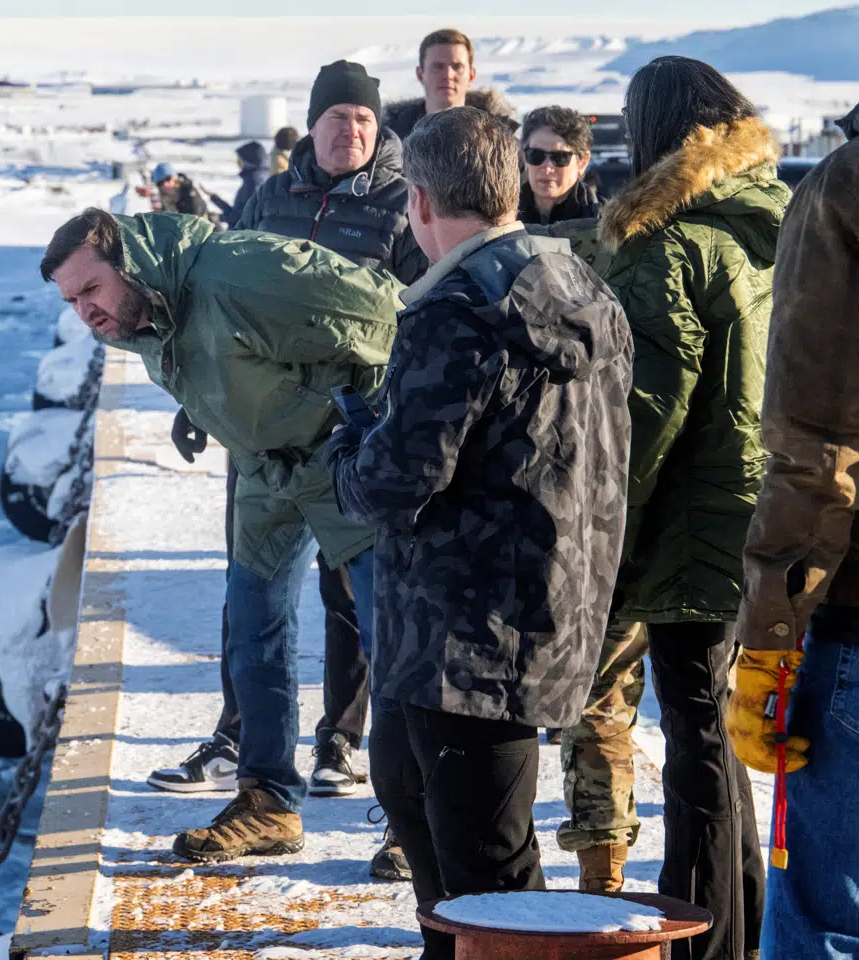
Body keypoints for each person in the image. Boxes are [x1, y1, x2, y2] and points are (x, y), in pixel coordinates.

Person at [326, 105, 632, 960]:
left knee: (493, 877)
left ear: (418, 202)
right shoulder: (582, 286)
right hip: (547, 610)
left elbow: (392, 484)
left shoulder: (455, 309)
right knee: (409, 786)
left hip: (467, 635)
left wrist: (350, 440)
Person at [42, 207, 404, 861]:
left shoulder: (240, 273)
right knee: (251, 630)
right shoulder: (143, 312)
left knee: (391, 636)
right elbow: (216, 355)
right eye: (71, 301)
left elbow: (386, 314)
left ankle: (420, 821)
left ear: (129, 263)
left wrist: (374, 427)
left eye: (90, 290)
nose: (84, 313)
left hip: (338, 455)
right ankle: (267, 801)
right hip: (265, 466)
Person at [150, 59, 426, 883]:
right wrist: (197, 399)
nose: (351, 131)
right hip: (266, 447)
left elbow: (413, 318)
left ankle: (407, 812)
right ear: (310, 127)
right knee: (257, 620)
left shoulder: (400, 205)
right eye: (338, 118)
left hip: (357, 448)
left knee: (384, 624)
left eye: (365, 121)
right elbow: (213, 307)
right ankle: (268, 796)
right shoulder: (269, 199)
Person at [553, 57, 787, 960]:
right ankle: (744, 921)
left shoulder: (667, 245)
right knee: (720, 733)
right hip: (760, 515)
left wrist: (603, 539)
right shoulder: (769, 222)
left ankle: (705, 938)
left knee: (694, 743)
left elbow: (646, 419)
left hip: (694, 525)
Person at [727, 101, 859, 959]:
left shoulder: (845, 187)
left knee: (826, 918)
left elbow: (818, 440)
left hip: (855, 625)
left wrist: (772, 628)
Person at [380, 28, 516, 141]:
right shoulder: (389, 139)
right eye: (438, 67)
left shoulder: (501, 137)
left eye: (457, 67)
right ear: (420, 74)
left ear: (471, 75)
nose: (448, 75)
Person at [518, 105, 600, 225]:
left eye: (560, 158)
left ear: (582, 162)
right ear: (525, 157)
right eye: (535, 155)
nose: (547, 168)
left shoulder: (603, 224)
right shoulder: (500, 217)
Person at [207, 141, 268, 229]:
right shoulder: (255, 180)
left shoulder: (253, 183)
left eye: (240, 159)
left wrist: (219, 217)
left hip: (242, 238)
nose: (237, 162)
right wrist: (215, 199)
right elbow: (238, 211)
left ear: (249, 162)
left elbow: (245, 217)